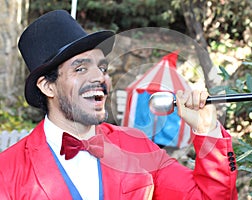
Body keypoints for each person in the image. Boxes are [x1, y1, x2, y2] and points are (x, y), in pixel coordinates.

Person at [0, 10, 238, 200]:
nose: (99, 77)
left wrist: (208, 131)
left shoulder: (138, 147)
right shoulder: (6, 171)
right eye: (80, 68)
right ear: (47, 86)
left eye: (102, 68)